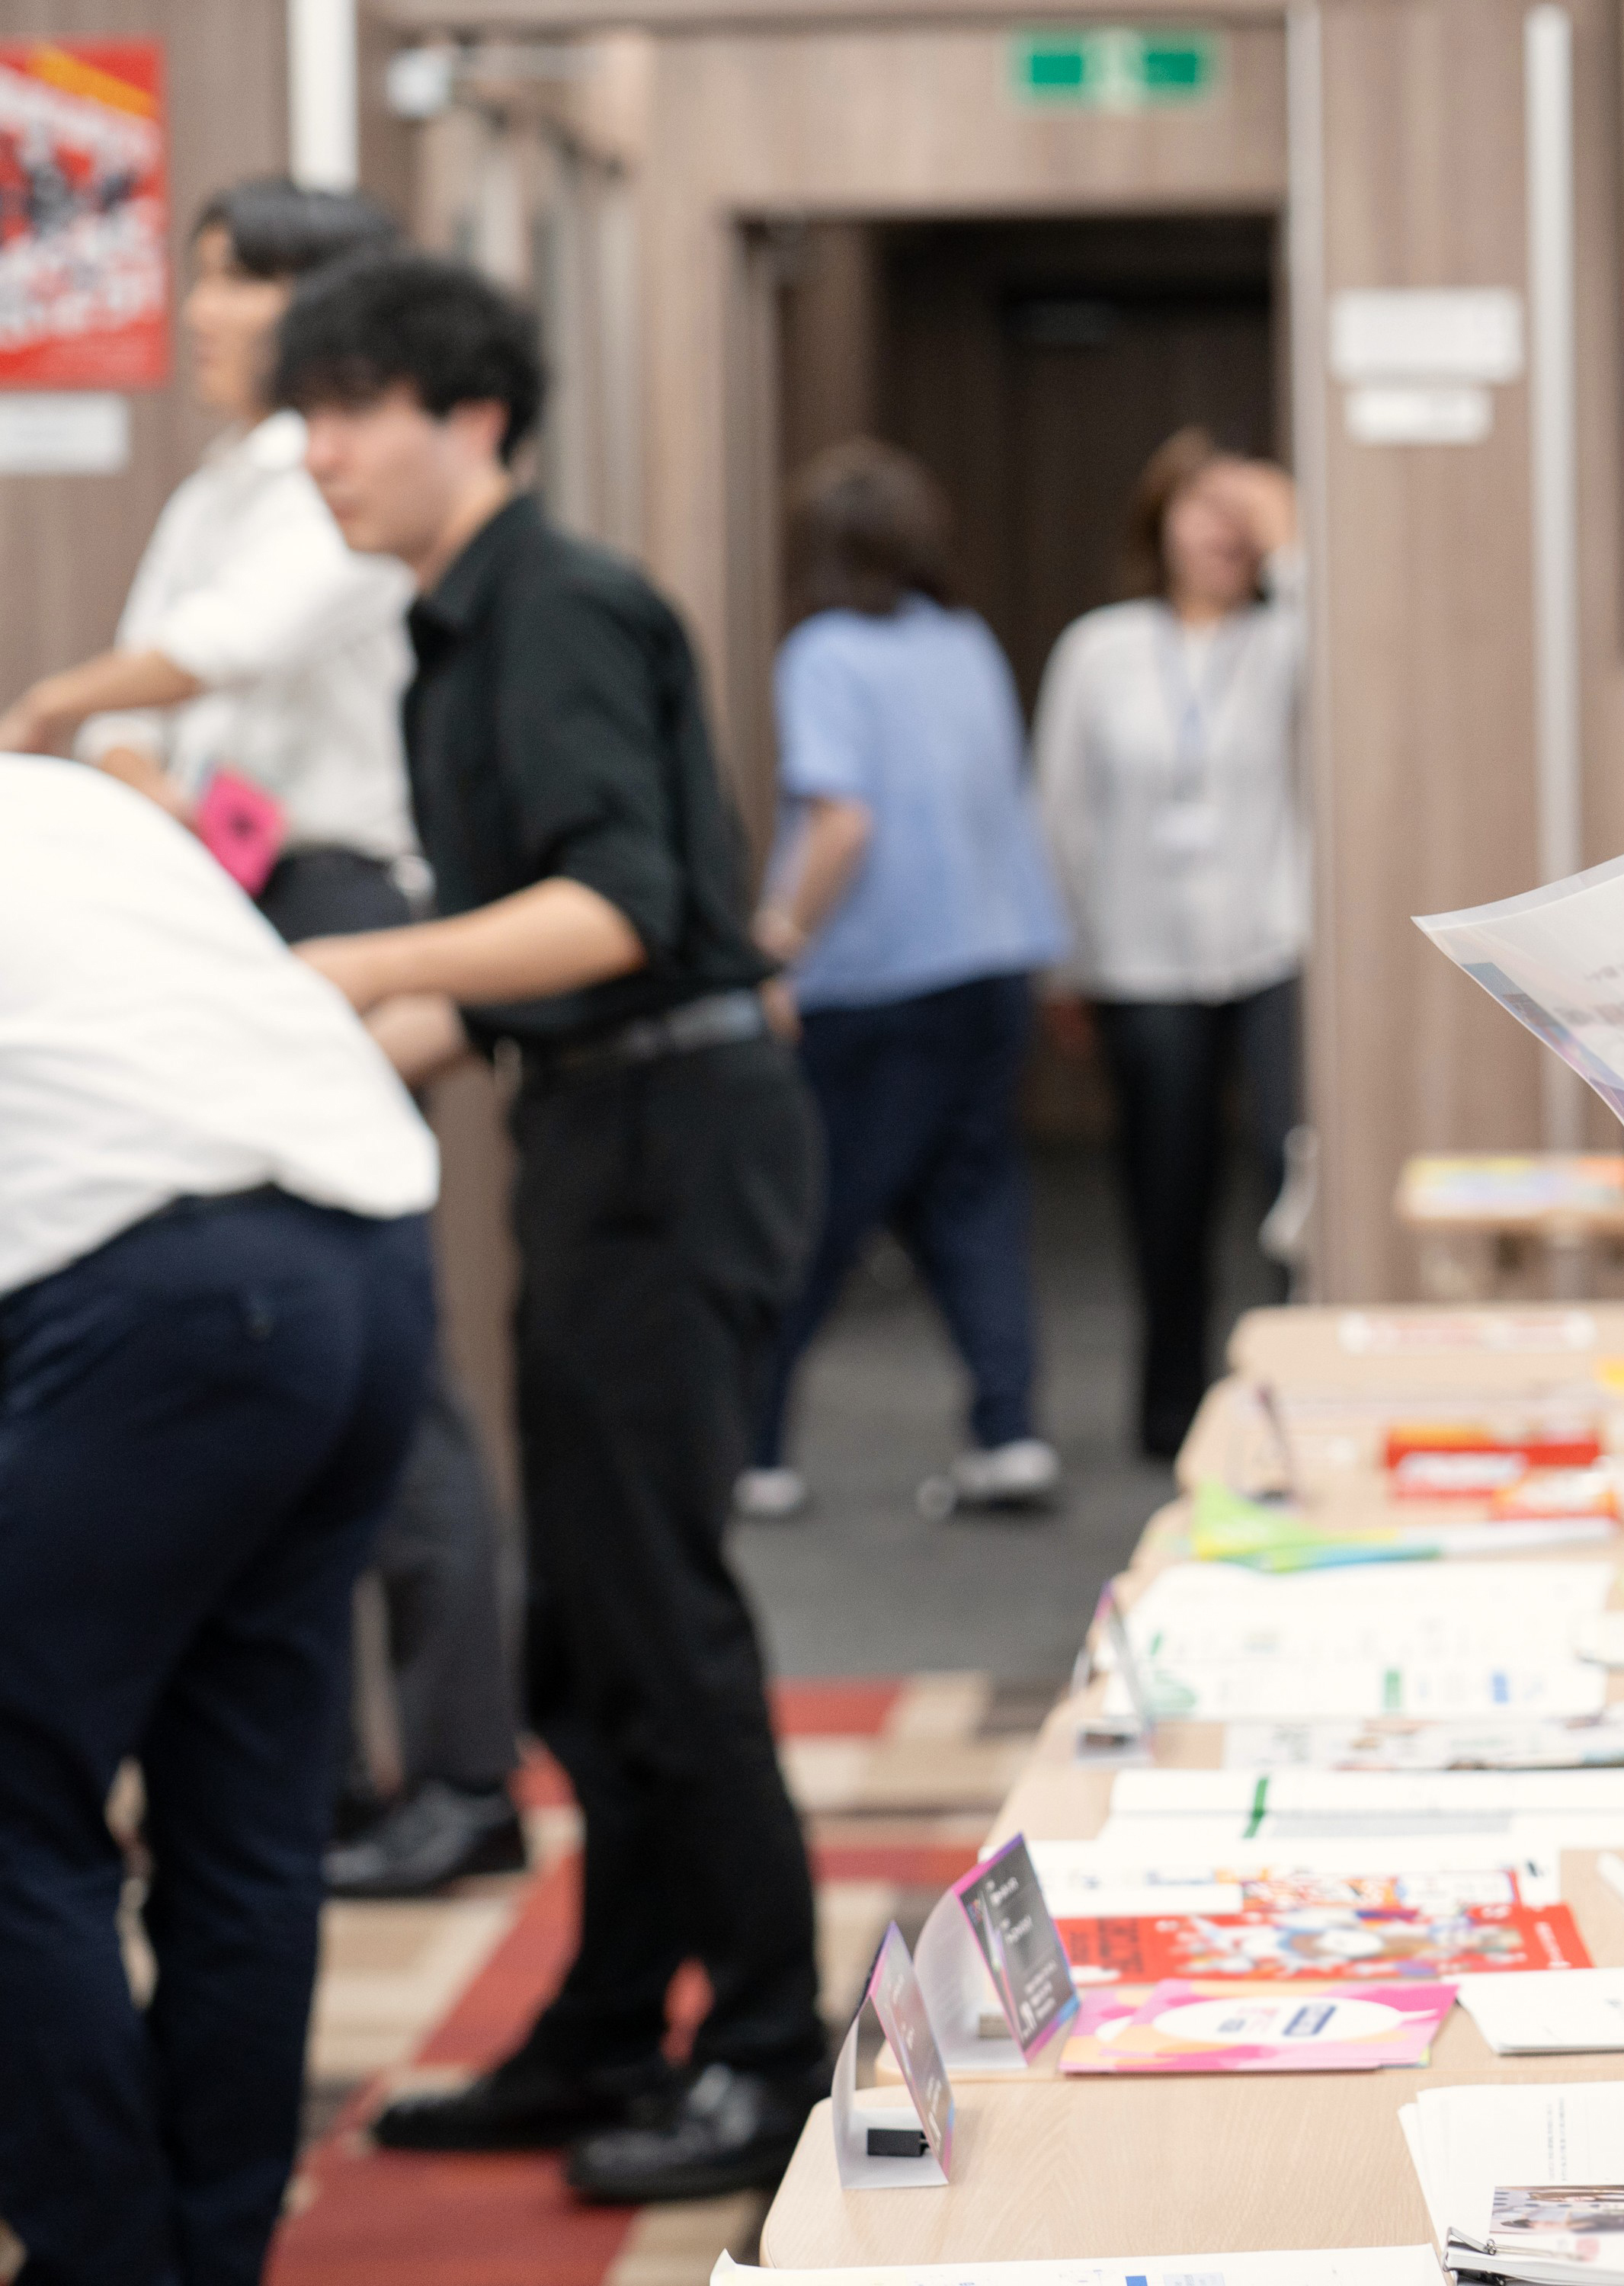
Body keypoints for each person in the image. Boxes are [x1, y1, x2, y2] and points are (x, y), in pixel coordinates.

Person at [269, 251, 829, 2204]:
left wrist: (350, 969)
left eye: (351, 409)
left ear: (474, 416)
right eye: (303, 412)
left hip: (679, 1134)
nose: (315, 450)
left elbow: (614, 910)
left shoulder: (564, 606)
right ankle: (610, 2020)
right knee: (583, 1641)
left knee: (663, 1622)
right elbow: (490, 986)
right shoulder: (441, 631)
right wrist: (282, 1056)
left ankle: (774, 2051)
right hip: (599, 1131)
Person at [0, 177, 527, 1901]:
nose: (197, 316)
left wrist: (66, 711)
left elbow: (226, 652)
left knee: (369, 1345)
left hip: (331, 899)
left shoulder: (325, 481)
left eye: (224, 287)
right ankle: (330, 1780)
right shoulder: (240, 474)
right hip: (239, 883)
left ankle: (458, 1769)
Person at [0, 754, 438, 2286]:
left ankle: (110, 2264)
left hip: (175, 1301)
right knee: (245, 1810)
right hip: (370, 1271)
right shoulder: (64, 799)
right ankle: (204, 2253)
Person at [736, 440, 1071, 1522]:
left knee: (815, 1210)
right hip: (992, 961)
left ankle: (757, 1447)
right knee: (974, 1201)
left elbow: (842, 821)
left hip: (878, 982)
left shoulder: (826, 654)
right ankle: (1008, 1434)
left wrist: (776, 943)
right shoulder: (961, 642)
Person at [1036, 427, 1306, 1460]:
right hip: (1140, 958)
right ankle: (1170, 1411)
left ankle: (1289, 1386)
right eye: (1202, 509)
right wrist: (1058, 966)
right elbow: (1058, 810)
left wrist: (1293, 549)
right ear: (1160, 523)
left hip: (1271, 947)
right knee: (1165, 1190)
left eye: (1243, 516)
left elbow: (1348, 665)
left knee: (1293, 1180)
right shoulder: (1100, 649)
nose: (1223, 532)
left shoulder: (1286, 638)